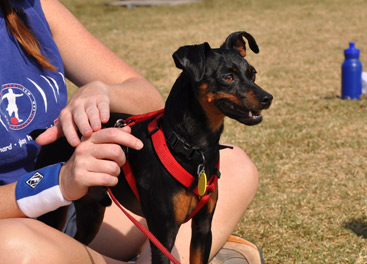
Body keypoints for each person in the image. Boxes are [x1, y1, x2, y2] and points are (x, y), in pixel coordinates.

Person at [0, 0, 263, 263]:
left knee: (234, 165)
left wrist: (105, 90)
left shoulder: (34, 7)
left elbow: (149, 101)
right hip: (13, 225)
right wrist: (57, 182)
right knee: (14, 247)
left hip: (77, 214)